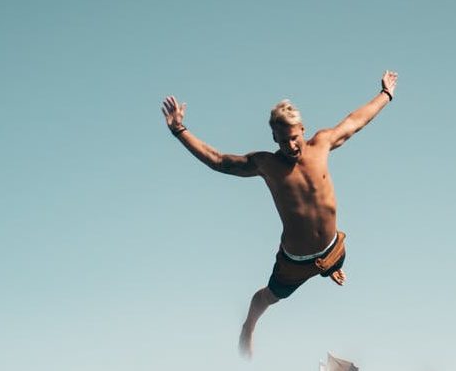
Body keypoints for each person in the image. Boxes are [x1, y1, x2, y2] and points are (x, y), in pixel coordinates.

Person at [161, 72, 398, 356]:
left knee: (336, 263)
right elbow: (219, 161)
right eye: (283, 140)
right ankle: (249, 325)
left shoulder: (322, 144)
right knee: (267, 298)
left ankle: (330, 268)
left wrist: (386, 94)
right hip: (294, 262)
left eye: (295, 138)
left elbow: (356, 121)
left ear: (303, 129)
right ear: (274, 137)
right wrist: (179, 130)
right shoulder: (266, 164)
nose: (291, 146)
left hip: (334, 248)